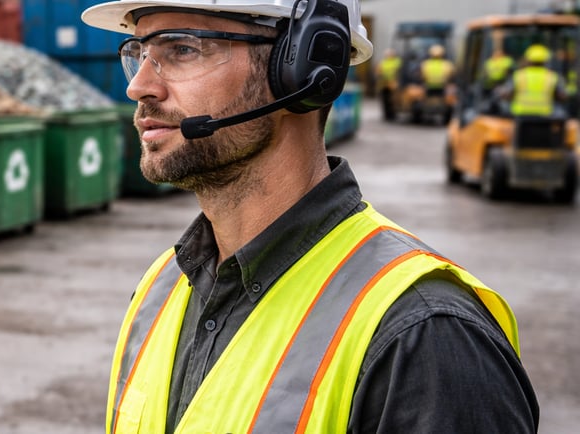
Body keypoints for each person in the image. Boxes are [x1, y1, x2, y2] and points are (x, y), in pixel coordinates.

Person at [81, 1, 539, 433]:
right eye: (139, 52)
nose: (138, 86)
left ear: (304, 68)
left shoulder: (425, 336)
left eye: (181, 49)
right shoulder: (161, 287)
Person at [499, 43, 565, 117]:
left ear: (528, 59)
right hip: (546, 115)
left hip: (520, 114)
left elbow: (506, 94)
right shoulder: (553, 76)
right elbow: (562, 96)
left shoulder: (519, 75)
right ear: (546, 60)